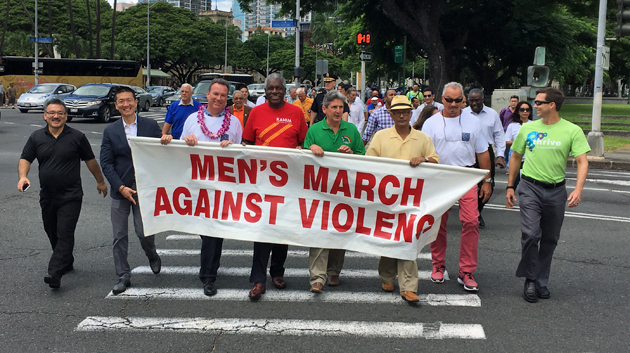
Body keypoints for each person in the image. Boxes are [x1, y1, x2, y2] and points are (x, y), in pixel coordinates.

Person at [506, 87, 590, 303]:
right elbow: (515, 156)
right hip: (530, 187)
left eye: (539, 102)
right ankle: (531, 279)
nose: (534, 106)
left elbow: (582, 161)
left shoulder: (572, 130)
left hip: (556, 191)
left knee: (550, 239)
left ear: (551, 105)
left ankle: (542, 280)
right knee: (531, 234)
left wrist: (578, 189)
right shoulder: (528, 129)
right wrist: (510, 186)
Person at [163, 79, 243, 297]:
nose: (218, 99)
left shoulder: (234, 123)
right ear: (207, 95)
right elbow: (179, 151)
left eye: (223, 96)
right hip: (195, 187)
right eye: (215, 94)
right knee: (203, 230)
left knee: (213, 232)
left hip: (221, 187)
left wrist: (234, 148)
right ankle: (209, 268)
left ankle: (208, 276)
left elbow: (241, 156)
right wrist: (185, 140)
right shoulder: (192, 120)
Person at [18, 98, 108, 289]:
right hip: (47, 195)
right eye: (52, 113)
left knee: (64, 232)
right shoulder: (36, 137)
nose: (56, 116)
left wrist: (100, 181)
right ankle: (66, 261)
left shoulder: (77, 137)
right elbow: (26, 158)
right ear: (45, 115)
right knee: (52, 231)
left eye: (60, 113)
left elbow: (90, 161)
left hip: (71, 195)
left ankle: (55, 272)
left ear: (66, 116)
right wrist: (22, 176)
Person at [421, 82, 493, 292]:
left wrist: (486, 181)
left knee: (471, 221)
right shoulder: (431, 123)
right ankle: (438, 265)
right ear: (441, 99)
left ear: (463, 100)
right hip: (440, 176)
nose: (453, 104)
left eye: (458, 100)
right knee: (438, 223)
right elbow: (425, 153)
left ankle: (466, 270)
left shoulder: (473, 122)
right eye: (449, 100)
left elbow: (482, 152)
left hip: (466, 174)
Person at [367, 95, 439, 302]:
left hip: (412, 198)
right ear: (391, 114)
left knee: (409, 239)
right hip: (386, 197)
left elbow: (435, 160)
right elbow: (368, 164)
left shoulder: (422, 138)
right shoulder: (380, 136)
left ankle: (408, 286)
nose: (401, 116)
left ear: (410, 113)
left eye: (405, 112)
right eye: (397, 112)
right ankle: (387, 276)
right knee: (389, 236)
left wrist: (424, 159)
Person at [242, 73, 308, 300]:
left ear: (285, 89)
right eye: (270, 88)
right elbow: (247, 143)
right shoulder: (256, 113)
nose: (274, 92)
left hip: (288, 184)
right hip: (262, 184)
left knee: (282, 231)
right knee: (261, 233)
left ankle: (277, 272)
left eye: (278, 88)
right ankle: (258, 280)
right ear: (265, 91)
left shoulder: (296, 113)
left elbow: (303, 144)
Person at [100, 86, 163, 295]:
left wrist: (167, 140)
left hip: (144, 188)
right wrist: (120, 187)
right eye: (121, 101)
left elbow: (161, 154)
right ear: (116, 105)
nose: (125, 104)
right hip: (121, 189)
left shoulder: (150, 125)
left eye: (129, 100)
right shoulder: (110, 131)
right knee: (119, 235)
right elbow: (106, 163)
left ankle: (152, 255)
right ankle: (123, 275)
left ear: (136, 102)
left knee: (143, 232)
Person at [304, 90, 365, 293]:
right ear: (324, 109)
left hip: (344, 191)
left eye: (341, 107)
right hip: (319, 191)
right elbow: (302, 158)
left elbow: (362, 157)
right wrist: (311, 147)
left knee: (339, 231)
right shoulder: (314, 130)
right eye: (334, 107)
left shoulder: (352, 130)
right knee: (320, 232)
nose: (338, 111)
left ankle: (334, 272)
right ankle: (317, 278)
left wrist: (351, 153)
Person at [464, 88, 506, 228]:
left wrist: (500, 155)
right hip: (468, 152)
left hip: (486, 152)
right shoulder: (462, 114)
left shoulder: (492, 114)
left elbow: (499, 135)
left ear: (483, 99)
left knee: (488, 184)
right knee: (469, 186)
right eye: (472, 100)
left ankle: (477, 211)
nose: (474, 103)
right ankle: (472, 213)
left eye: (477, 100)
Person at [504, 101, 533, 208]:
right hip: (517, 158)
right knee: (513, 181)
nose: (525, 112)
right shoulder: (512, 126)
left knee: (529, 184)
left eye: (527, 110)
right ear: (518, 111)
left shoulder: (534, 125)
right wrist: (520, 142)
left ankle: (529, 204)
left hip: (530, 159)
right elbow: (506, 142)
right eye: (522, 109)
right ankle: (509, 200)